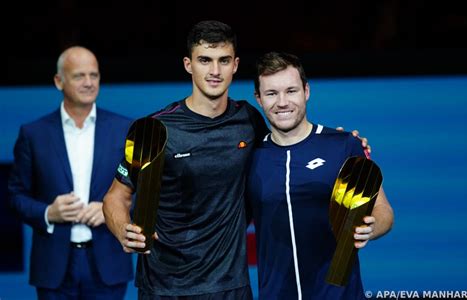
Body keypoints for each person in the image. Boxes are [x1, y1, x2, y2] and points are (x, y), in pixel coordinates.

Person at [103, 20, 369, 299]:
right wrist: (123, 230)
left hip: (232, 287)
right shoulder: (154, 129)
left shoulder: (250, 120)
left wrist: (342, 143)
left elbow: (290, 143)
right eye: (205, 60)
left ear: (235, 65)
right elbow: (115, 197)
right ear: (188, 64)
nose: (215, 71)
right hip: (165, 287)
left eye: (223, 60)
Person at [246, 51, 394, 299]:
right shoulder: (251, 155)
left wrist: (370, 227)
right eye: (272, 93)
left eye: (291, 91)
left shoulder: (344, 145)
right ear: (258, 98)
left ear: (306, 91)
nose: (282, 102)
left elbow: (384, 211)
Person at [8, 46, 134, 299]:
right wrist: (47, 213)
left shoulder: (125, 129)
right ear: (58, 81)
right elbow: (16, 196)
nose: (89, 83)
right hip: (53, 267)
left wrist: (112, 209)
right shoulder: (33, 134)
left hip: (108, 262)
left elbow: (144, 189)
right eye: (79, 76)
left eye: (94, 75)